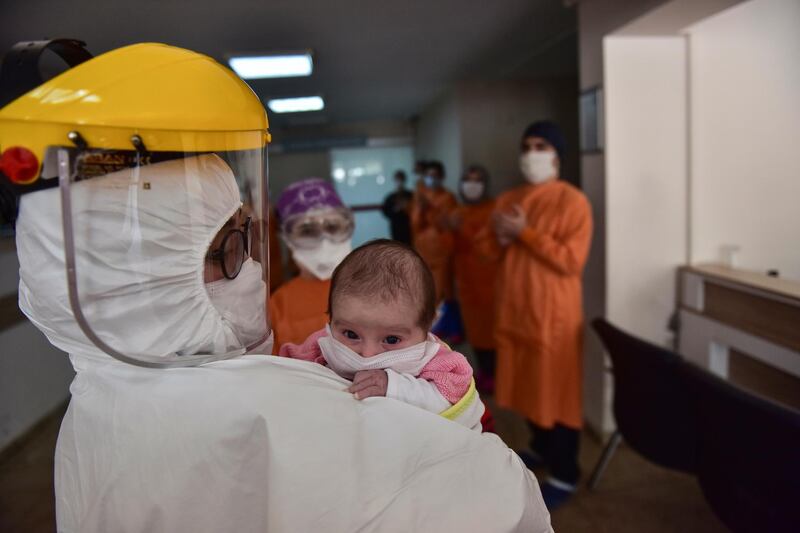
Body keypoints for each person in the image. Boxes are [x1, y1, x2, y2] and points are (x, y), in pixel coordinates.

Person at [2, 39, 553, 532]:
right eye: (235, 246)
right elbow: (511, 504)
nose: (255, 272)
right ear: (155, 274)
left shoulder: (98, 402)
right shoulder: (271, 410)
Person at [478, 120, 593, 510]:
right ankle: (542, 449)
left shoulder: (572, 201)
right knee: (525, 391)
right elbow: (487, 254)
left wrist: (526, 234)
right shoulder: (509, 197)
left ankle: (565, 472)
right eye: (527, 145)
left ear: (557, 153)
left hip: (554, 321)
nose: (532, 152)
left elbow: (570, 262)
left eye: (541, 145)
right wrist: (502, 238)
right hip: (516, 316)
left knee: (556, 396)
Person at [280, 240, 484, 431]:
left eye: (391, 340)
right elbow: (285, 374)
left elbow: (453, 403)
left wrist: (394, 387)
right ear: (331, 319)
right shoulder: (318, 347)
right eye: (351, 334)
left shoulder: (438, 364)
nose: (367, 354)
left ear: (426, 329)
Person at [269, 178, 354, 352]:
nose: (324, 240)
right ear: (287, 238)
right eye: (307, 231)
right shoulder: (277, 306)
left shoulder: (380, 284)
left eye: (333, 226)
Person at [448, 164, 500, 393]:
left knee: (493, 335)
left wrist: (463, 229)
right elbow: (448, 249)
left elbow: (488, 249)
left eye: (477, 180)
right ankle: (485, 372)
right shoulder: (457, 212)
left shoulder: (495, 210)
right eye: (467, 179)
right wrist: (448, 229)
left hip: (493, 286)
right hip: (467, 286)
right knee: (476, 334)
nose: (471, 184)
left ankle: (495, 376)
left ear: (485, 185)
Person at [411, 160, 458, 303]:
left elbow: (444, 225)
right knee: (423, 295)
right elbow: (415, 224)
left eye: (435, 175)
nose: (431, 178)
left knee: (440, 296)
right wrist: (421, 208)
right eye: (429, 175)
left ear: (442, 177)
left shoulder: (448, 197)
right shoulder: (420, 196)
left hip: (441, 255)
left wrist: (430, 209)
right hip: (422, 253)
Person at [380, 170, 413, 244]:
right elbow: (385, 212)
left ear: (404, 180)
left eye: (401, 179)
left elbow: (416, 211)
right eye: (397, 179)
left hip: (409, 229)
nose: (399, 182)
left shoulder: (411, 195)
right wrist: (395, 209)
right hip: (396, 228)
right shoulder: (390, 197)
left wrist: (407, 207)